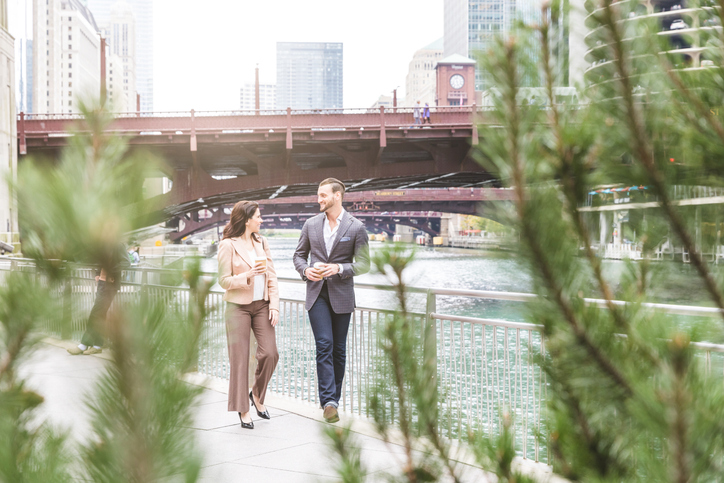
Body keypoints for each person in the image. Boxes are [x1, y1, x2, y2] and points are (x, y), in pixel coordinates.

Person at [293, 178, 370, 423]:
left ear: (337, 196)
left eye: (323, 195)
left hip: (342, 295)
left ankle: (332, 401)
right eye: (318, 195)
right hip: (317, 294)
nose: (319, 200)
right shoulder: (310, 224)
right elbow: (298, 256)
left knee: (338, 349)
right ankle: (328, 401)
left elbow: (364, 264)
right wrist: (306, 271)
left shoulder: (356, 227)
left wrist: (339, 268)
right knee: (324, 344)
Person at [218, 201, 280, 430]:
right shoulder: (227, 245)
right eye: (258, 216)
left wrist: (274, 305)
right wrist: (248, 274)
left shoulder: (261, 241)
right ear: (246, 220)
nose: (261, 220)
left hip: (262, 305)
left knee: (270, 353)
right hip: (238, 306)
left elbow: (272, 277)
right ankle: (243, 409)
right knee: (240, 358)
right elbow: (223, 280)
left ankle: (257, 395)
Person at [67, 242, 130, 355]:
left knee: (95, 313)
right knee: (100, 314)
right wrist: (97, 273)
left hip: (110, 285)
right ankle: (97, 345)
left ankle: (83, 345)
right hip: (102, 283)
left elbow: (126, 263)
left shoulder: (119, 245)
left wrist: (111, 272)